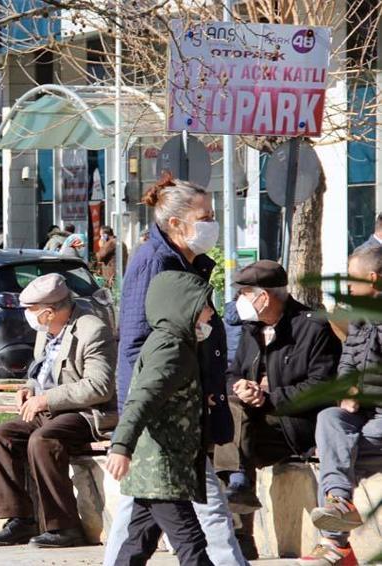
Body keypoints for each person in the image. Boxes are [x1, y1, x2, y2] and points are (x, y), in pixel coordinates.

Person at [104, 174, 245, 565]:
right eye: (205, 216)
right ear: (176, 224)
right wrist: (133, 425)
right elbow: (134, 343)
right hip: (166, 419)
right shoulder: (154, 262)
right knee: (201, 523)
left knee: (140, 522)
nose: (212, 223)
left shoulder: (185, 260)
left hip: (180, 412)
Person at [212, 260, 341, 555]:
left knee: (229, 432)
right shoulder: (252, 329)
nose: (239, 301)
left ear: (264, 296)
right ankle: (239, 490)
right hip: (253, 423)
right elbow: (234, 372)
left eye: (244, 292)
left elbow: (322, 387)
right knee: (221, 430)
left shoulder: (312, 327)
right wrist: (241, 387)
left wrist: (269, 397)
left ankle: (240, 531)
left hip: (294, 424)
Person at [0, 274, 117, 549]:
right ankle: (20, 520)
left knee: (43, 440)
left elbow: (99, 387)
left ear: (48, 312)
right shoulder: (46, 330)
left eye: (31, 311)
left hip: (85, 413)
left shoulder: (92, 329)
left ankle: (64, 527)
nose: (28, 317)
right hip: (50, 409)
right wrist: (29, 388)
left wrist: (45, 400)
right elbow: (42, 373)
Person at [108, 271, 217, 565]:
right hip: (160, 468)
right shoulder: (172, 348)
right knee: (190, 543)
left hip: (157, 467)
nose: (210, 313)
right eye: (205, 305)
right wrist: (121, 446)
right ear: (183, 307)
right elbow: (142, 398)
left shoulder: (172, 342)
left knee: (137, 543)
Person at [297, 247, 382, 566]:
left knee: (340, 452)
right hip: (365, 416)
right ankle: (338, 504)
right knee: (330, 420)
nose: (346, 285)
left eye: (351, 278)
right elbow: (349, 357)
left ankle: (335, 545)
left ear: (373, 279)